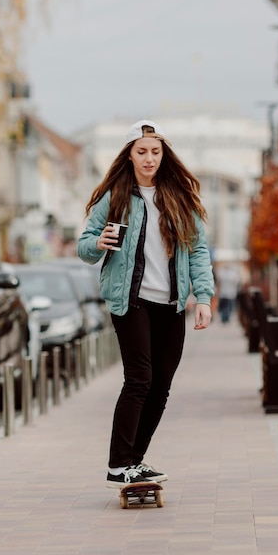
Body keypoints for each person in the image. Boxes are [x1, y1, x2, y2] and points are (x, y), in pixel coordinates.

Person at [77, 120, 215, 488]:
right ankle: (118, 463)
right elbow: (85, 246)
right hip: (131, 301)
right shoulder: (116, 196)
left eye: (155, 151)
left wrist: (203, 297)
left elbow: (198, 249)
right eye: (142, 151)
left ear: (163, 154)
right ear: (130, 155)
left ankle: (132, 462)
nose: (149, 158)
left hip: (171, 303)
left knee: (161, 386)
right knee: (139, 379)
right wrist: (98, 243)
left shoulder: (179, 197)